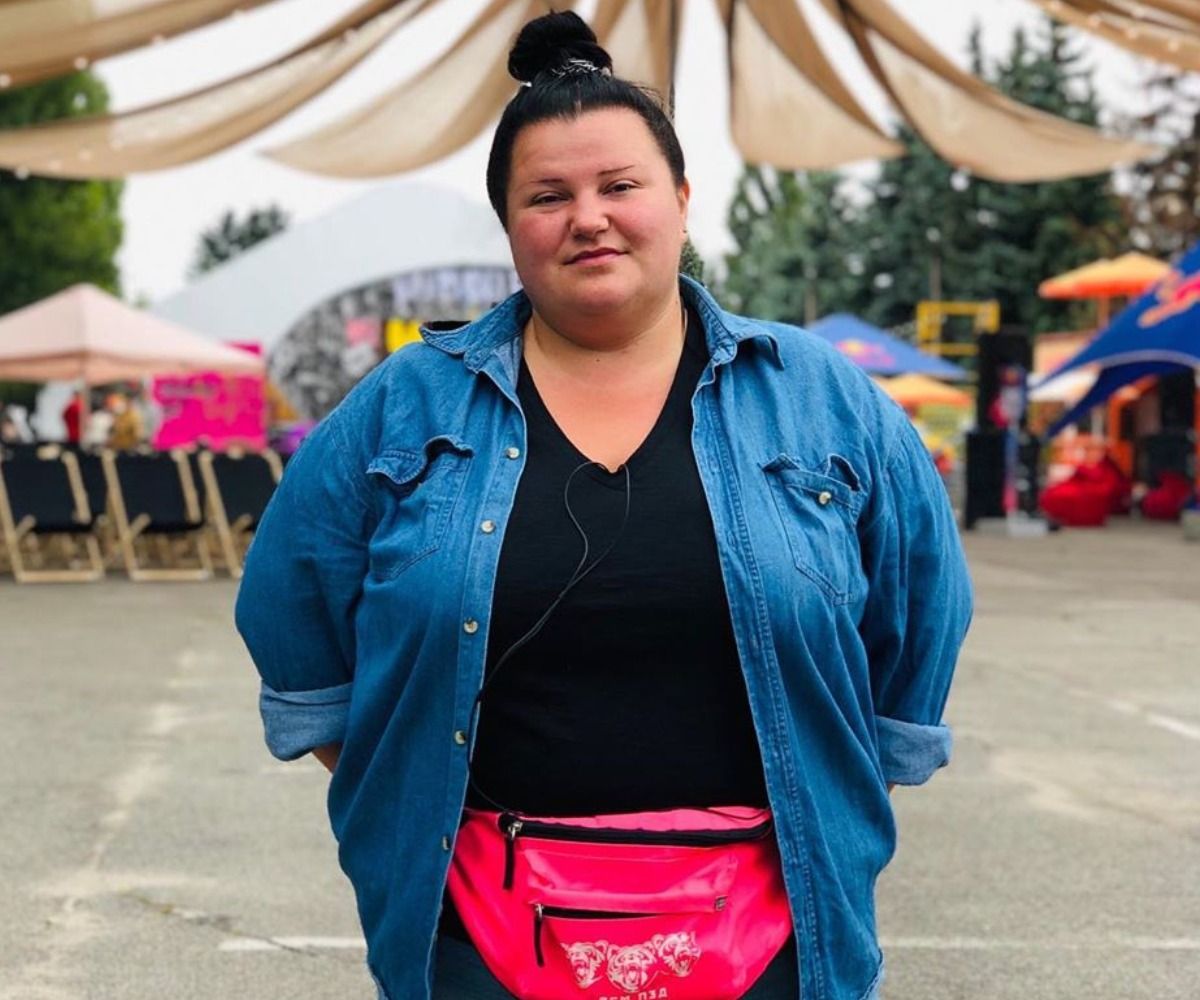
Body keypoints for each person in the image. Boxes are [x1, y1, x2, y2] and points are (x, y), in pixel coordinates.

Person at [236, 12, 972, 1000]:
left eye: (620, 186)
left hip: (776, 933)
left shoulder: (821, 396)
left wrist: (831, 780)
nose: (589, 218)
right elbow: (291, 603)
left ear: (680, 199)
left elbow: (921, 604)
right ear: (510, 227)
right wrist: (401, 776)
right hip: (480, 933)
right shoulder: (405, 404)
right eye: (549, 196)